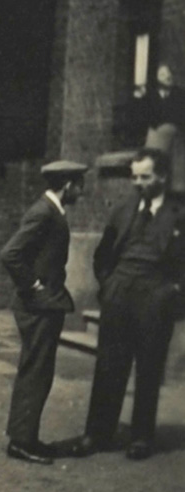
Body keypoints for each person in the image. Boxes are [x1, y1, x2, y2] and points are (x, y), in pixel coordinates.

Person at [66, 149, 185, 461]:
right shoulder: (123, 209)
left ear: (162, 177)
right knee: (108, 366)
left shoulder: (179, 214)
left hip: (155, 297)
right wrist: (108, 286)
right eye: (134, 176)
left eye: (145, 177)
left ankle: (141, 437)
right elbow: (103, 254)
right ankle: (96, 434)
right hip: (120, 295)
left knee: (149, 368)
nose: (138, 183)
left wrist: (173, 292)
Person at [0, 160, 88, 465]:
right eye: (79, 184)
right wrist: (34, 286)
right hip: (38, 306)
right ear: (67, 185)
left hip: (45, 304)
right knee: (35, 371)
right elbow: (10, 254)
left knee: (39, 371)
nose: (82, 190)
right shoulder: (43, 213)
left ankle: (27, 437)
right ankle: (21, 441)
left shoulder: (51, 211)